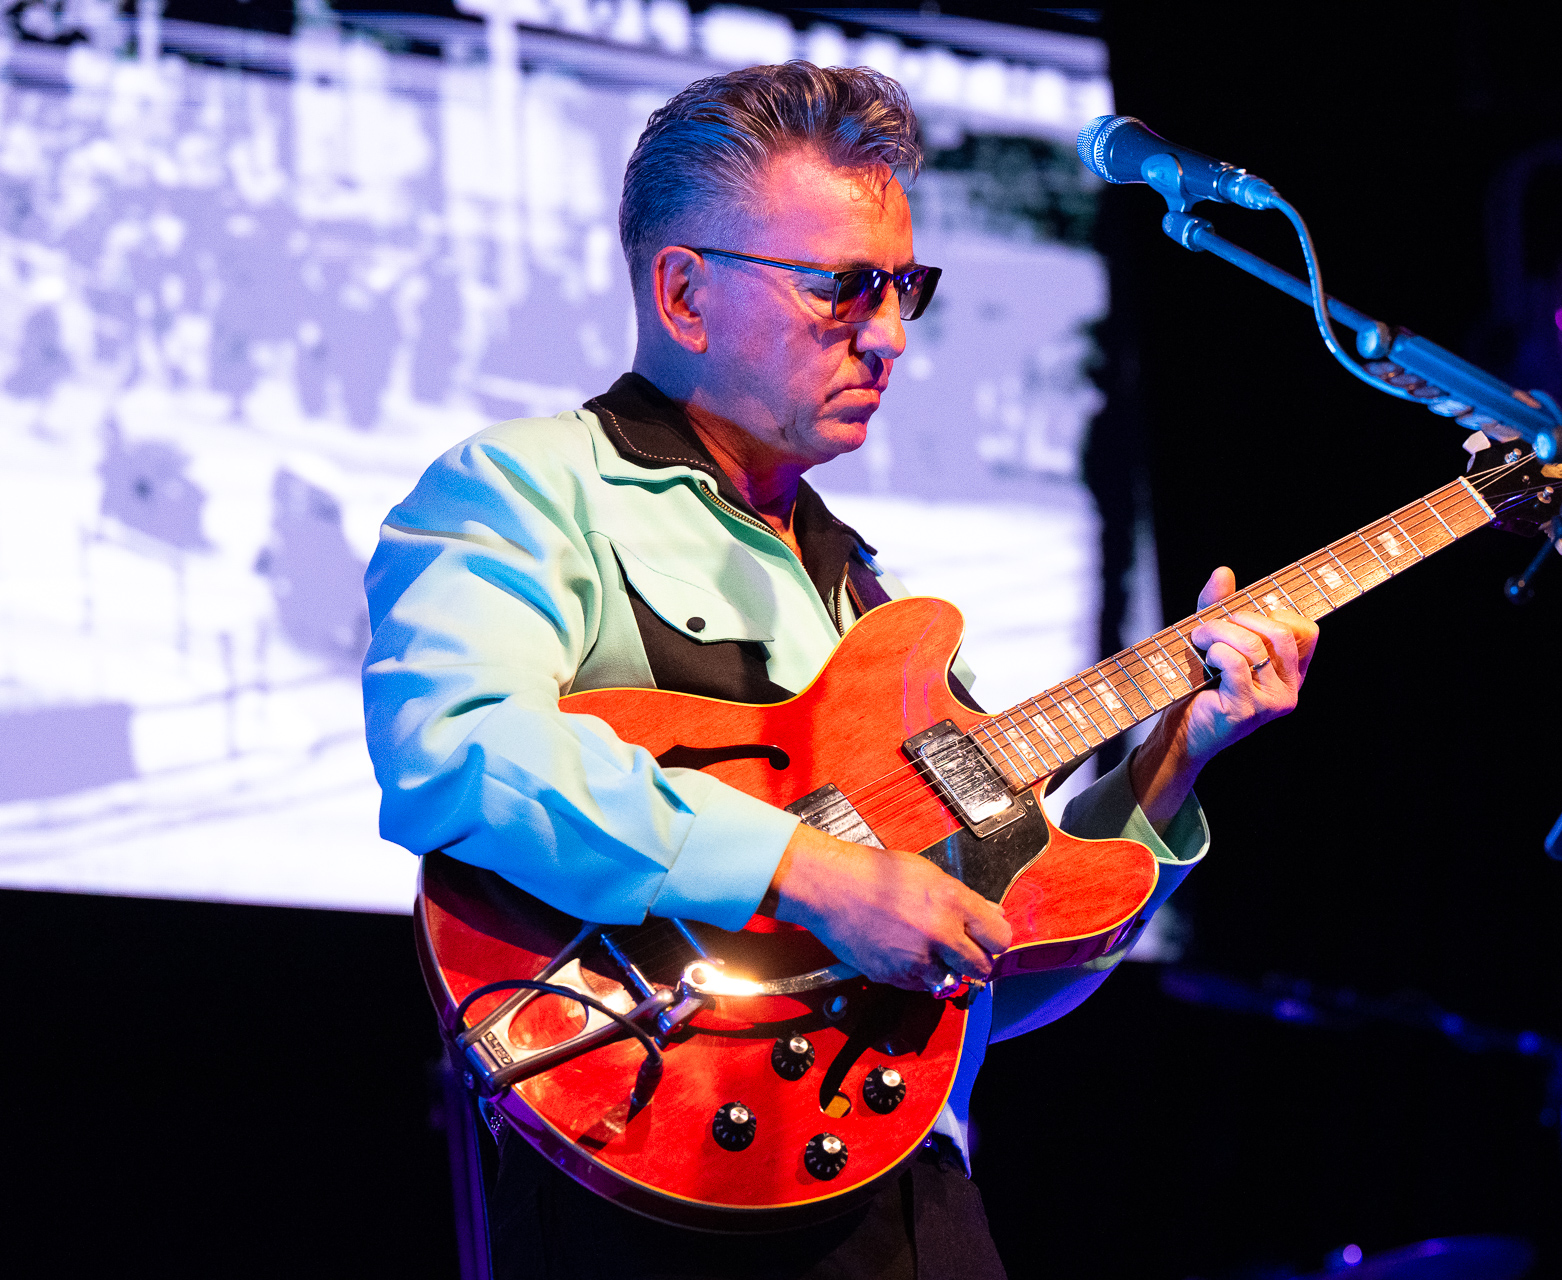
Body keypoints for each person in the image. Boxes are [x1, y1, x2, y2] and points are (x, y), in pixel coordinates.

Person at [363, 62, 1316, 1279]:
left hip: (912, 1189)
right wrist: (811, 872)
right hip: (653, 1172)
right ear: (685, 293)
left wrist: (1169, 767)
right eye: (844, 287)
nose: (891, 334)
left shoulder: (872, 596)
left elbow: (980, 983)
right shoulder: (528, 486)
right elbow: (457, 749)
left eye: (906, 285)